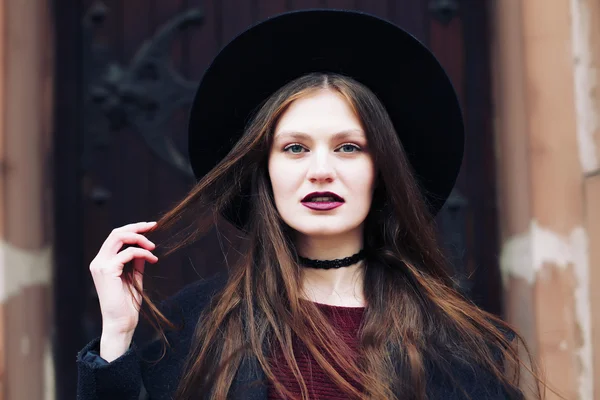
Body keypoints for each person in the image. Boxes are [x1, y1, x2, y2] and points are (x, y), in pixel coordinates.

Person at [76, 9, 543, 400]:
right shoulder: (197, 326)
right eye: (295, 148)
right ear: (266, 170)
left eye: (348, 148)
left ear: (380, 172)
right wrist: (117, 336)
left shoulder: (454, 339)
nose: (321, 170)